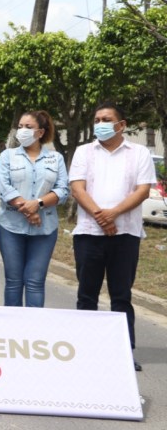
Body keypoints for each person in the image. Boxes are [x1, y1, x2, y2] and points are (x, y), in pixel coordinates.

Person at [69, 102, 156, 372]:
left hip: (125, 234)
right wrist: (101, 217)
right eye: (97, 120)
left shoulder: (139, 153)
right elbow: (77, 188)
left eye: (106, 119)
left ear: (121, 125)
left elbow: (143, 190)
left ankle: (124, 352)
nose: (100, 124)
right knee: (87, 295)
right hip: (88, 234)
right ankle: (84, 351)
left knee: (121, 296)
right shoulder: (84, 151)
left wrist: (114, 214)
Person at [0, 110, 69, 308]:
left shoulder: (55, 158)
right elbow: (3, 187)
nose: (22, 130)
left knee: (35, 282)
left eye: (28, 127)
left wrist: (38, 204)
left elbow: (63, 190)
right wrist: (29, 211)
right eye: (20, 126)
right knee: (14, 281)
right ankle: (13, 326)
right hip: (10, 226)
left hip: (45, 228)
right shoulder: (7, 156)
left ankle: (33, 326)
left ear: (41, 132)